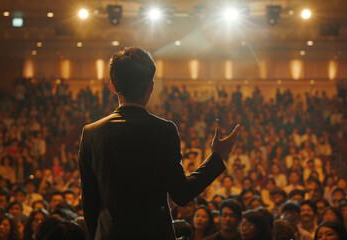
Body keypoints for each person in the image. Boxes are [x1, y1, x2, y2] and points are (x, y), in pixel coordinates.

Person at [78, 47, 240, 240]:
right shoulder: (164, 130)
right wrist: (216, 157)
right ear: (150, 87)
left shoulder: (90, 133)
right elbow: (181, 194)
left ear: (113, 86)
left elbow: (89, 203)